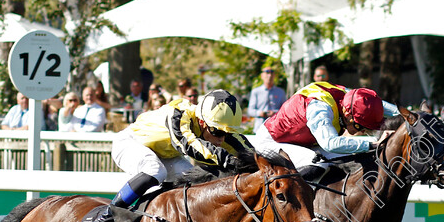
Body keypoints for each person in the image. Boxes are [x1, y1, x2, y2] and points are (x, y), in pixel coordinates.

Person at [108, 89, 252, 211]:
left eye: (226, 133)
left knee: (194, 181)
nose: (223, 138)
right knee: (156, 170)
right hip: (130, 143)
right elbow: (188, 144)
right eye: (218, 132)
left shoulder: (212, 124)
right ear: (202, 122)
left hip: (163, 153)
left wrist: (260, 163)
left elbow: (247, 150)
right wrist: (228, 160)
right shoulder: (179, 114)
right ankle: (111, 212)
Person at [252, 82, 399, 173]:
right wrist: (373, 144)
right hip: (272, 142)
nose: (363, 131)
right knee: (316, 164)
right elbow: (330, 144)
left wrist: (407, 114)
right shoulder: (320, 110)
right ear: (348, 114)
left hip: (302, 142)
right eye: (361, 126)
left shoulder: (348, 97)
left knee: (351, 160)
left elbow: (371, 102)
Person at [247, 67, 286, 133]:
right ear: (262, 75)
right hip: (259, 128)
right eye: (267, 73)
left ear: (274, 76)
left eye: (271, 73)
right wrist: (260, 113)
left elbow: (284, 110)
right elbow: (250, 110)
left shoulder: (280, 92)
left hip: (275, 129)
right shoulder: (256, 91)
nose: (269, 76)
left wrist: (275, 113)